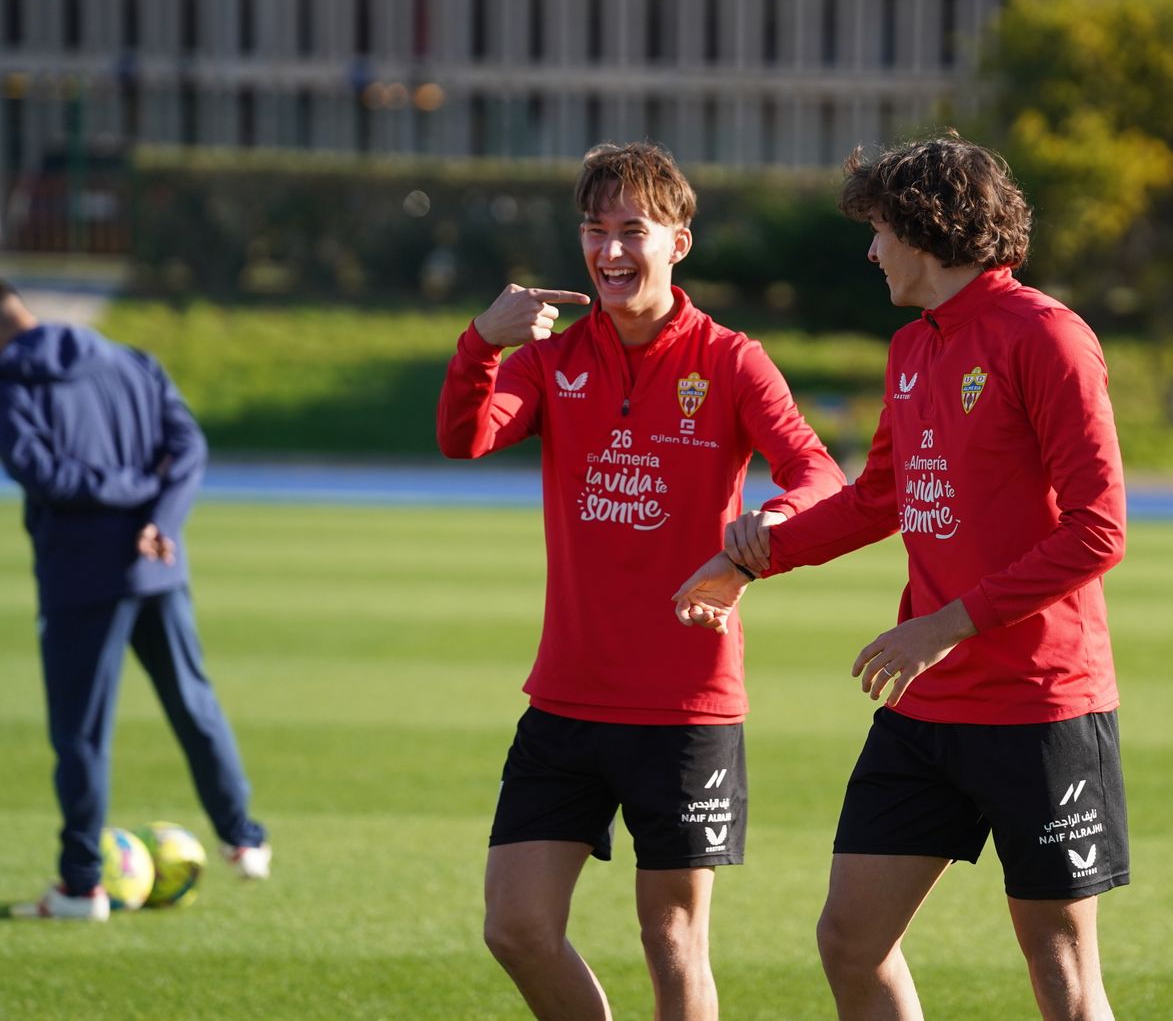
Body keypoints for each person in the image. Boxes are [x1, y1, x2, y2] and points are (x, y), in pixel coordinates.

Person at [674, 135, 1129, 1021]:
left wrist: (943, 624)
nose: (870, 249)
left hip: (1042, 707)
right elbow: (879, 498)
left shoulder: (1047, 336)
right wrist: (747, 560)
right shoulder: (913, 350)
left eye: (879, 229)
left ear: (927, 229)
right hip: (927, 713)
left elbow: (1099, 530)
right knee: (851, 941)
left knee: (1063, 977)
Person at [436, 141, 844, 1020]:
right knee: (516, 926)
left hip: (685, 704)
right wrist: (480, 344)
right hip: (567, 700)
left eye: (633, 230)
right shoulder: (552, 359)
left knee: (672, 943)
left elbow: (818, 474)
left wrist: (762, 531)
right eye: (595, 230)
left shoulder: (731, 360)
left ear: (679, 243)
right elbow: (465, 437)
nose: (610, 251)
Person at [0, 279, 271, 923]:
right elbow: (188, 448)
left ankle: (81, 885)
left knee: (82, 734)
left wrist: (130, 497)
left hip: (80, 576)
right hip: (156, 565)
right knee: (193, 701)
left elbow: (45, 476)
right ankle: (245, 838)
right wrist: (161, 519)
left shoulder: (12, 384)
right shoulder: (131, 361)